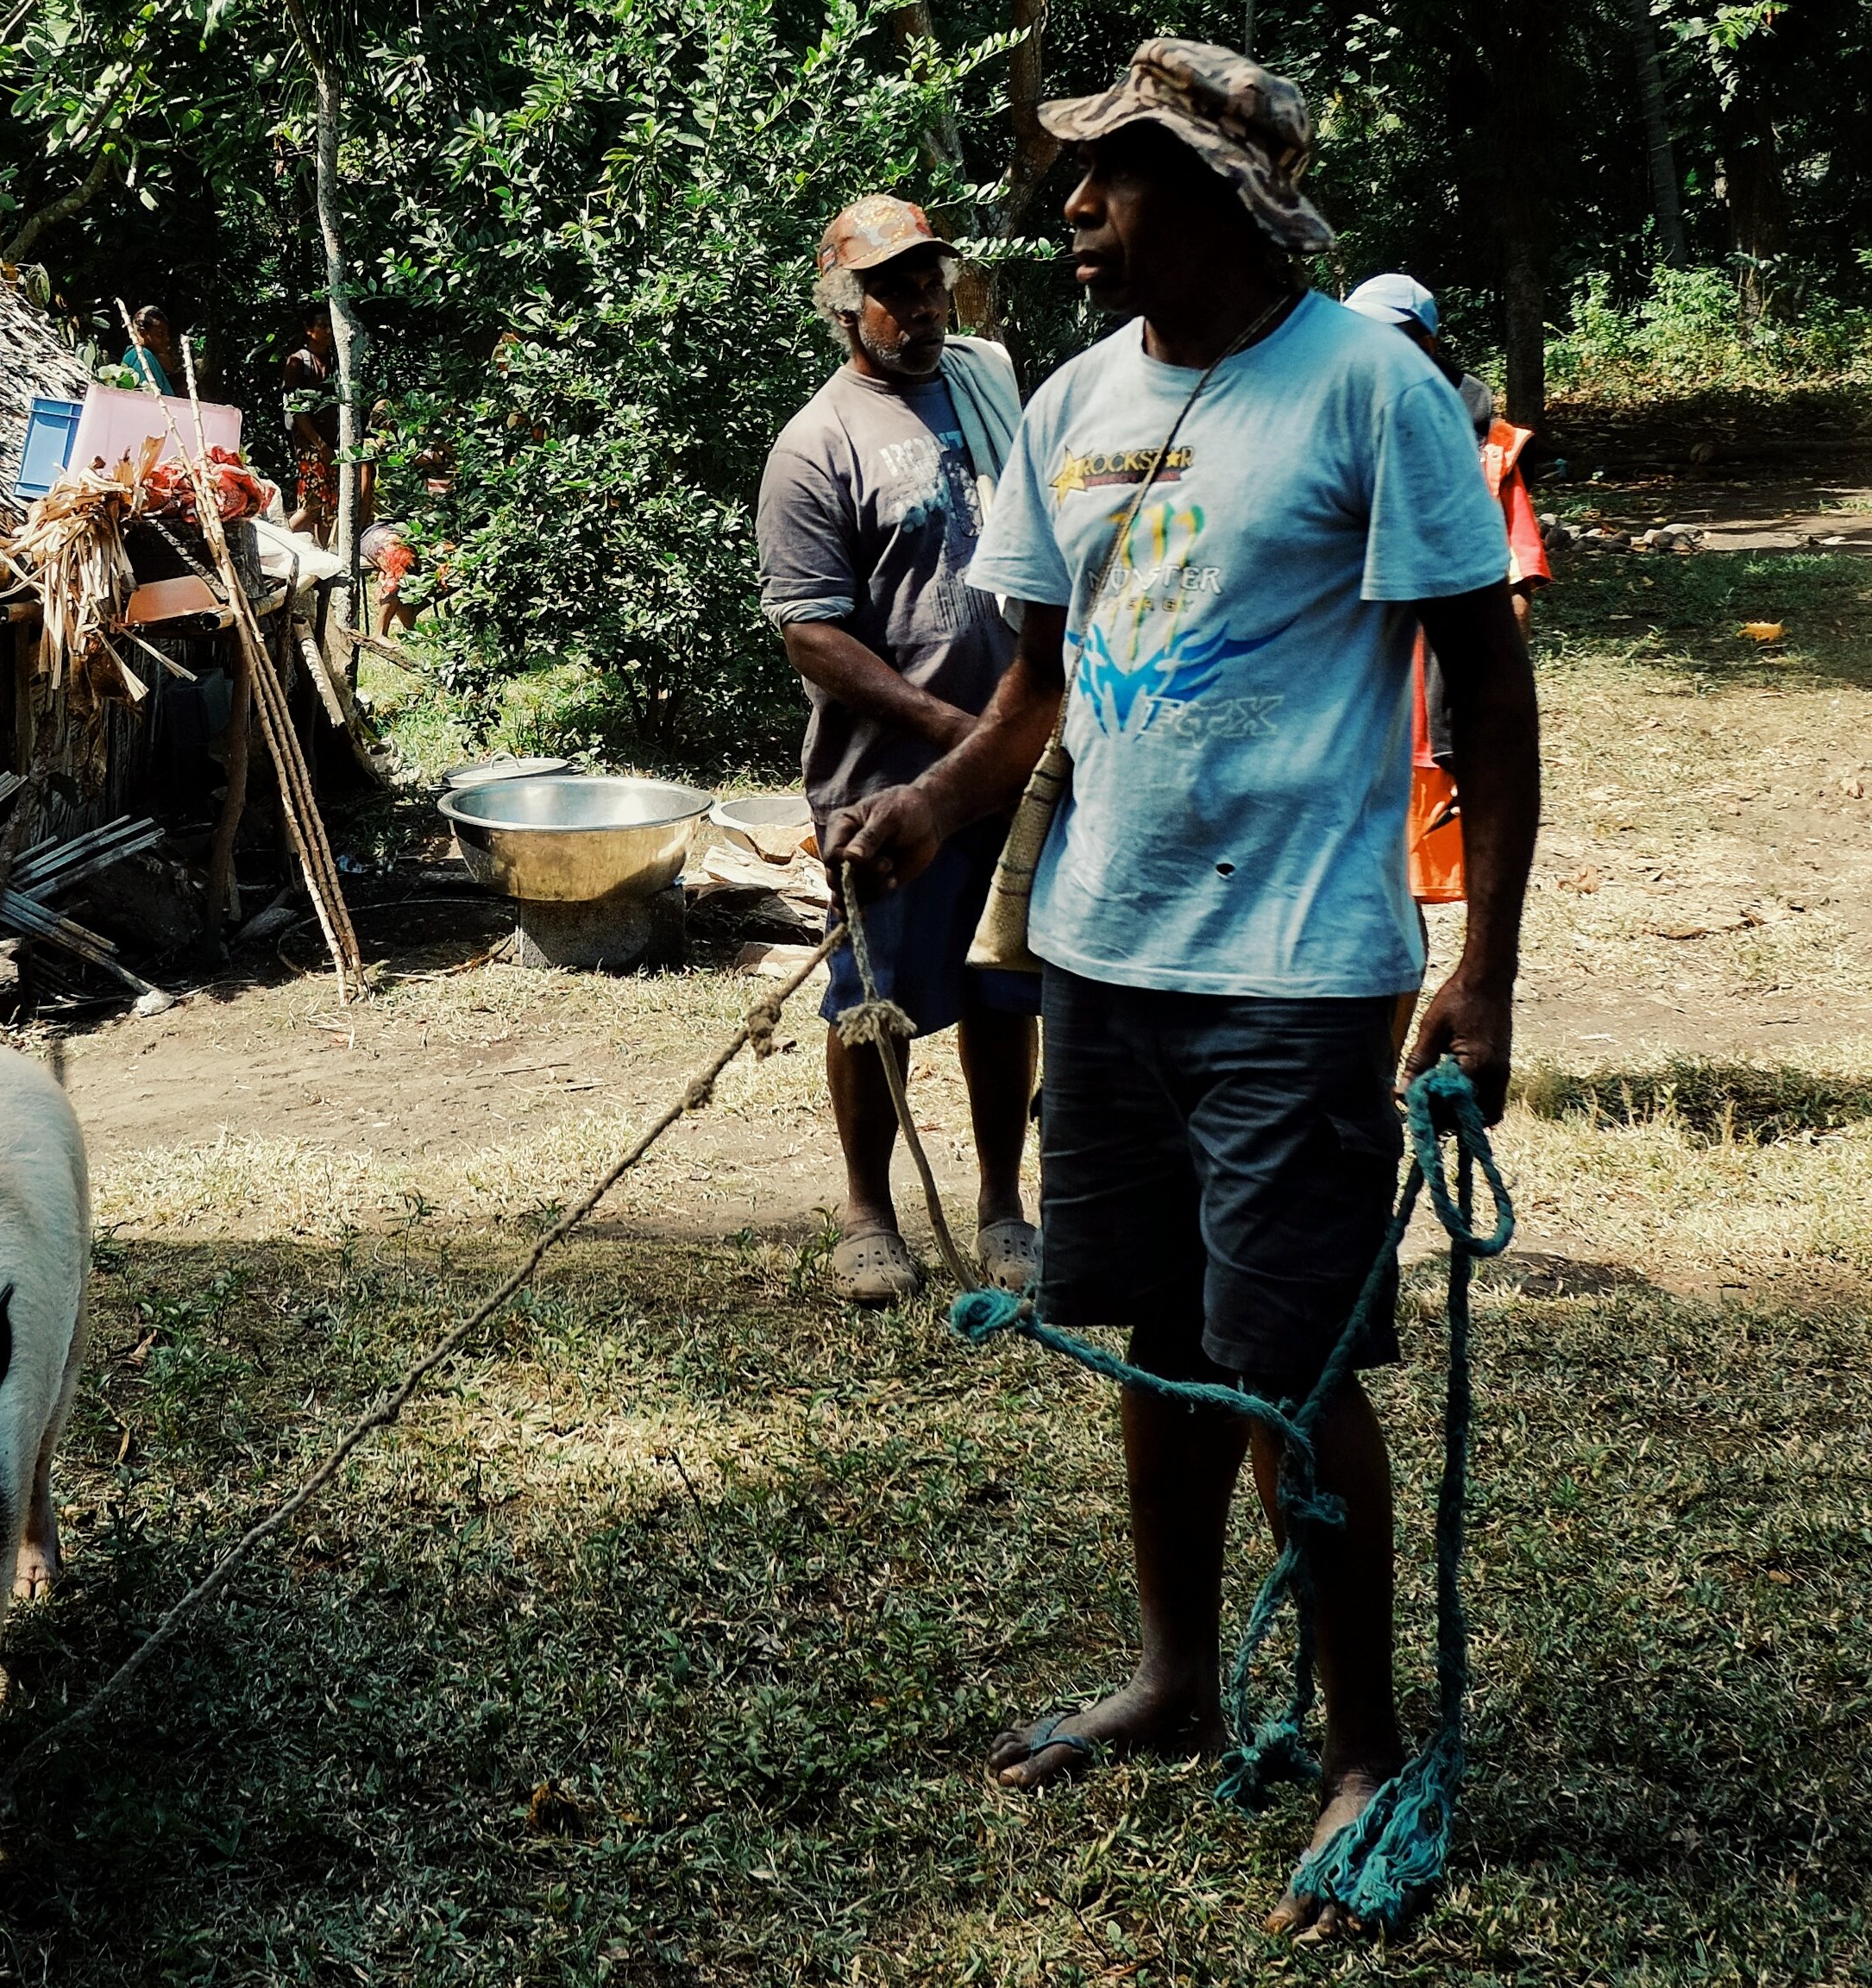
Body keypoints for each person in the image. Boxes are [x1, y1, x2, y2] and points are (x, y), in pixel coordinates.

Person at [823, 41, 1539, 1932]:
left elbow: (1490, 681)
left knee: (1291, 1363)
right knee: (1155, 1332)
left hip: (1298, 974)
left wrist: (1490, 965)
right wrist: (929, 803)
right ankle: (1168, 1673)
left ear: (1222, 194)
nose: (1069, 211)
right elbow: (1034, 696)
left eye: (1110, 177)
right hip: (1103, 956)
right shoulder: (1066, 399)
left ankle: (1370, 1747)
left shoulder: (1370, 392)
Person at [757, 195, 1042, 1305]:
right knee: (874, 999)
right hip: (891, 779)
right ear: (844, 304)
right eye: (894, 288)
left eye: (932, 281)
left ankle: (1003, 1205)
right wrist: (958, 738)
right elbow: (812, 634)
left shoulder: (989, 378)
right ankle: (870, 1213)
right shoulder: (816, 446)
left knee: (1003, 983)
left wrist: (1010, 738)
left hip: (1015, 759)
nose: (923, 306)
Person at [1343, 275, 1551, 1042]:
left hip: (1431, 719)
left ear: (1426, 343)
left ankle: (1389, 1065)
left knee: (1399, 897)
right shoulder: (1344, 431)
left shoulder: (1491, 452)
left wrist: (1473, 704)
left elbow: (1516, 592)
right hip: (1355, 708)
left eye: (1386, 339)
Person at [283, 304, 337, 543]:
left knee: (329, 508)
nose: (328, 331)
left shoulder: (334, 362)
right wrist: (319, 445)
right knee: (312, 504)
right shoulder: (297, 362)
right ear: (308, 330)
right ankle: (279, 543)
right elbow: (296, 410)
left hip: (332, 444)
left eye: (330, 326)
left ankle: (323, 558)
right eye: (322, 326)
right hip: (311, 446)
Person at [119, 305, 178, 394]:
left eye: (167, 334)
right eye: (160, 334)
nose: (167, 339)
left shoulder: (147, 356)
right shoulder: (141, 356)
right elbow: (148, 399)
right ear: (143, 333)